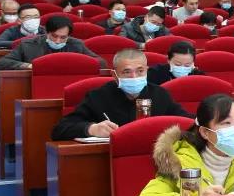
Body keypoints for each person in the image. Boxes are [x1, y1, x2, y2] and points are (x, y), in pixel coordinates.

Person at [52, 49, 191, 139]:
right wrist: (92, 129)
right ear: (114, 75)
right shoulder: (98, 97)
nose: (134, 77)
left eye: (140, 71)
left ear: (147, 71)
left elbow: (187, 121)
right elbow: (60, 129)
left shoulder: (160, 94)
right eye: (126, 72)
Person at [0, 14, 106, 71]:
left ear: (69, 35)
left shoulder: (76, 44)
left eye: (63, 37)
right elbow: (1, 63)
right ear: (47, 32)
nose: (58, 41)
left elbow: (101, 63)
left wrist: (78, 64)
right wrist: (28, 66)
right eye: (54, 36)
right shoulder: (28, 44)